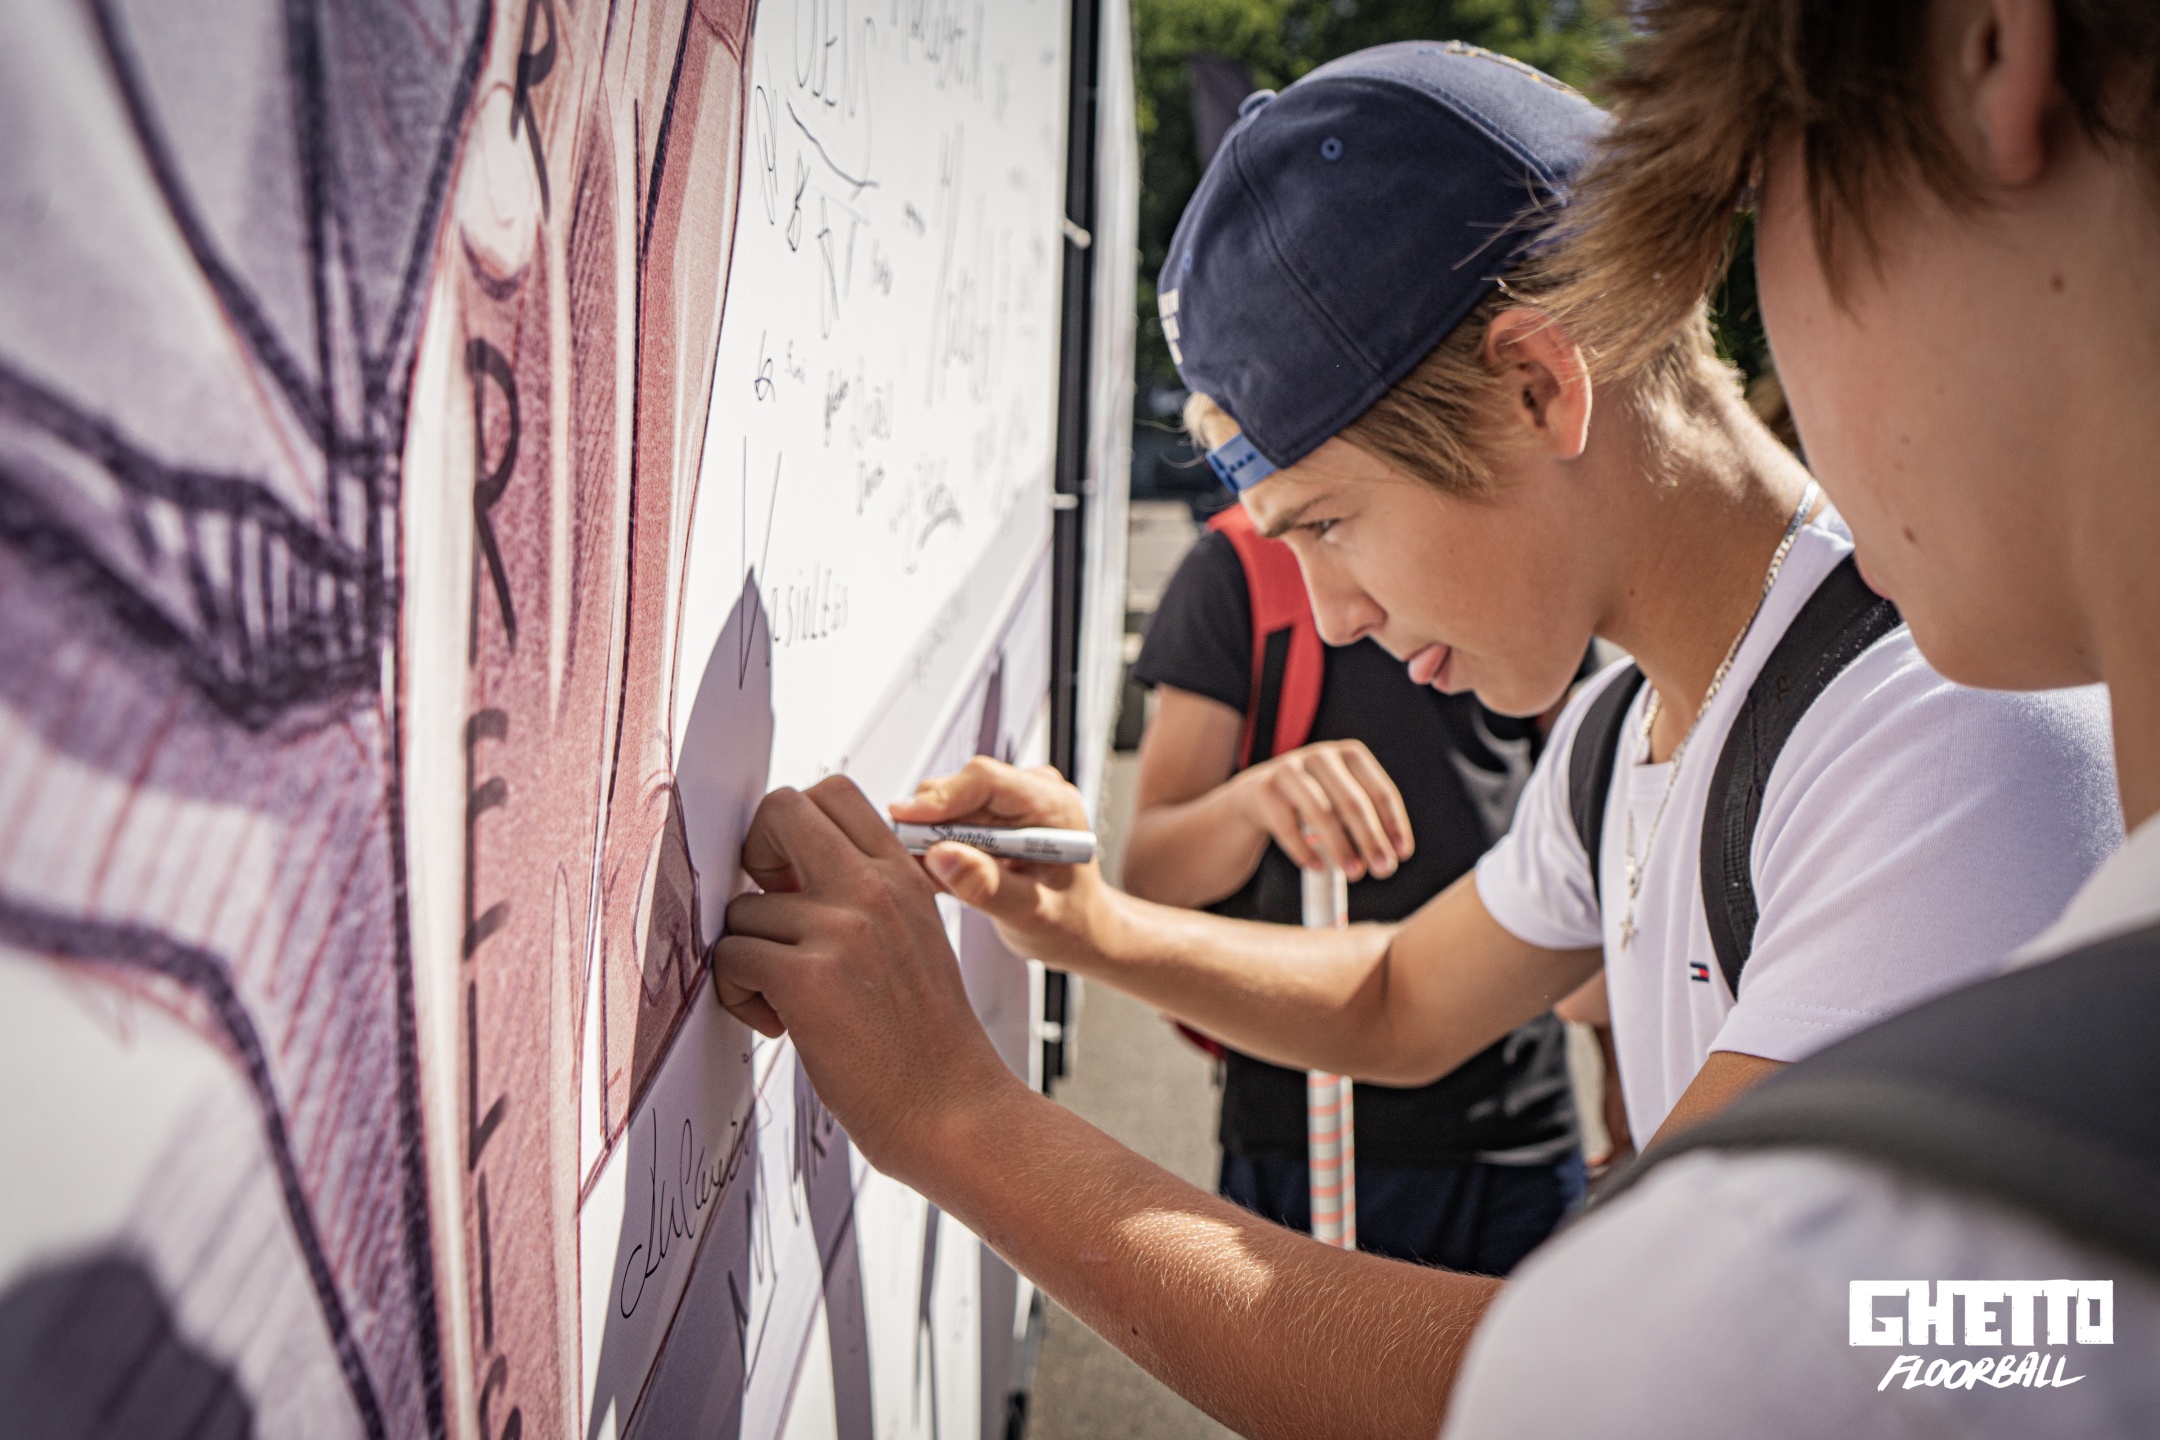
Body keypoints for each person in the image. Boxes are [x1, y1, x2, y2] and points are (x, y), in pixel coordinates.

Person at [710, 26, 2149, 1437]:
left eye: (1328, 523)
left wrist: (957, 1119)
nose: (1331, 616)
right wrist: (1089, 923)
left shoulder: (1943, 736)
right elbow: (1401, 997)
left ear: (1539, 387)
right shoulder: (1623, 729)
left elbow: (1602, 1386)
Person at [1126, 505, 1589, 1269]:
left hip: (1521, 1119)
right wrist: (1253, 801)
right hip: (1305, 1120)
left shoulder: (1520, 539)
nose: (1347, 619)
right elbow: (1150, 874)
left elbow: (1597, 830)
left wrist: (1623, 1066)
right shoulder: (1241, 566)